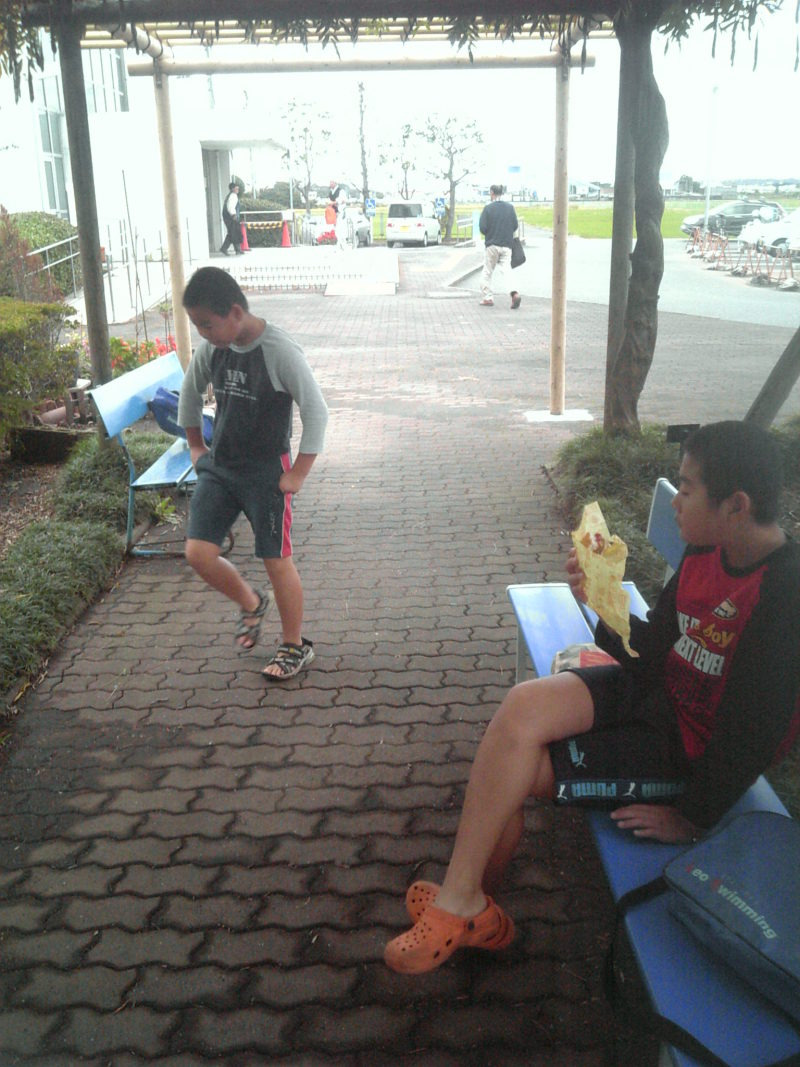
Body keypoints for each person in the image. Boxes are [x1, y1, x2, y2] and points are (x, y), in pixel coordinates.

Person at [384, 420, 800, 975]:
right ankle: (465, 903)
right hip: (656, 695)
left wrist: (691, 818)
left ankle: (468, 908)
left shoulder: (785, 594)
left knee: (512, 770)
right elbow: (653, 652)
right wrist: (602, 601)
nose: (675, 501)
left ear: (736, 505)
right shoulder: (707, 550)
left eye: (686, 488)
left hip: (689, 754)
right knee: (522, 709)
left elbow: (754, 735)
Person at [177, 267, 329, 681]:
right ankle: (250, 602)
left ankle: (294, 646)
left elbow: (316, 412)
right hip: (221, 467)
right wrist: (195, 445)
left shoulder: (279, 351)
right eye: (196, 325)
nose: (202, 333)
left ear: (235, 312)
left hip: (266, 473)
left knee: (276, 560)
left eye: (207, 324)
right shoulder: (214, 349)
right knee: (198, 553)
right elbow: (190, 392)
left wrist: (298, 473)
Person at [478, 184, 521, 309]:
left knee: (487, 272)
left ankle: (487, 298)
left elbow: (482, 228)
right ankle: (514, 294)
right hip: (507, 245)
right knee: (506, 270)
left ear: (492, 192)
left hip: (492, 245)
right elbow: (515, 225)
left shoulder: (488, 208)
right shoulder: (510, 208)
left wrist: (491, 232)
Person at [220, 181, 243, 256]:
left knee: (233, 232)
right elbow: (230, 206)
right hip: (231, 217)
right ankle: (233, 249)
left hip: (228, 216)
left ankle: (237, 249)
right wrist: (233, 215)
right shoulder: (233, 196)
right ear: (232, 189)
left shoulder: (230, 195)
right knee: (234, 232)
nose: (238, 190)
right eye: (236, 188)